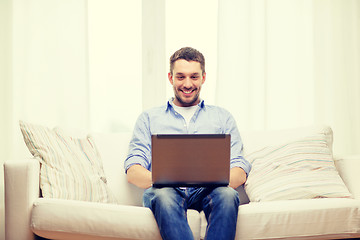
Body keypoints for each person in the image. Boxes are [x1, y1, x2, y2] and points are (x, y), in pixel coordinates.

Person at [124, 47, 251, 240]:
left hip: (209, 190)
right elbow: (133, 170)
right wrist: (165, 179)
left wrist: (210, 178)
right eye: (181, 77)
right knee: (163, 196)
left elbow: (239, 169)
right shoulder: (149, 118)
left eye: (194, 76)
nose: (187, 84)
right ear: (170, 77)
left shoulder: (222, 117)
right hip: (166, 191)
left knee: (227, 195)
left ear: (204, 77)